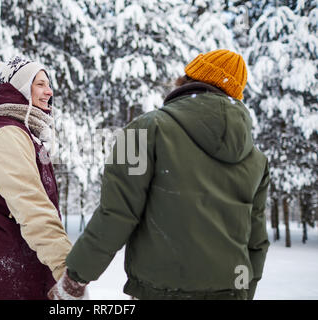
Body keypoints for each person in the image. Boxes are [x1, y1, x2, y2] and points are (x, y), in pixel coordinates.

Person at [48, 49, 270, 300]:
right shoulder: (256, 159)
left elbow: (117, 214)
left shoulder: (143, 131)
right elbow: (256, 242)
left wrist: (75, 278)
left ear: (186, 79)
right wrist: (243, 292)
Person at [0, 55, 72, 300]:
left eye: (48, 84)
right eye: (39, 84)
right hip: (12, 281)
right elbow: (31, 207)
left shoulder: (22, 133)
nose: (49, 91)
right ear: (18, 89)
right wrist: (68, 269)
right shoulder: (7, 135)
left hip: (26, 274)